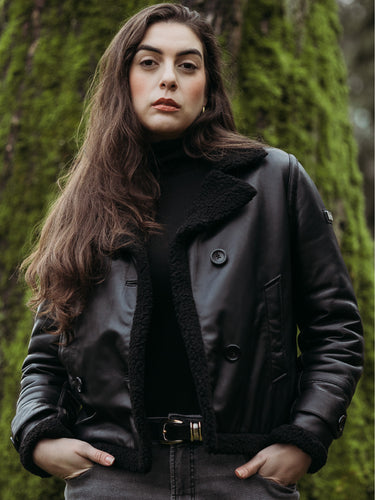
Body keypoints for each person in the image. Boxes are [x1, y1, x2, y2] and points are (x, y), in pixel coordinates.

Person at [11, 3, 363, 499]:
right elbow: (49, 348)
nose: (169, 79)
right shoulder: (87, 199)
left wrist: (306, 436)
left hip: (242, 473)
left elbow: (336, 331)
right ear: (124, 79)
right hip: (114, 474)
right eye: (149, 62)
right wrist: (39, 434)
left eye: (188, 65)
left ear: (209, 88)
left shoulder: (276, 180)